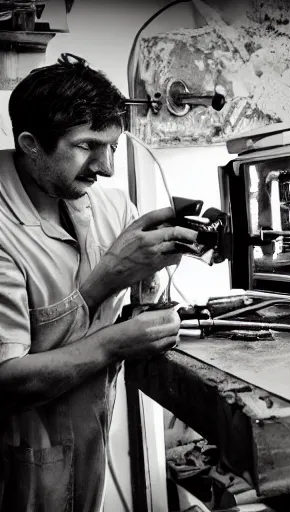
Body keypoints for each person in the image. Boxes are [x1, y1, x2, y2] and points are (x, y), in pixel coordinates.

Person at [0, 53, 199, 511]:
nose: (106, 167)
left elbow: (140, 307)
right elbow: (7, 381)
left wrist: (156, 282)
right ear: (31, 144)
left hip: (88, 438)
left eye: (112, 146)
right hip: (14, 459)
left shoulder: (112, 208)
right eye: (88, 145)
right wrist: (112, 303)